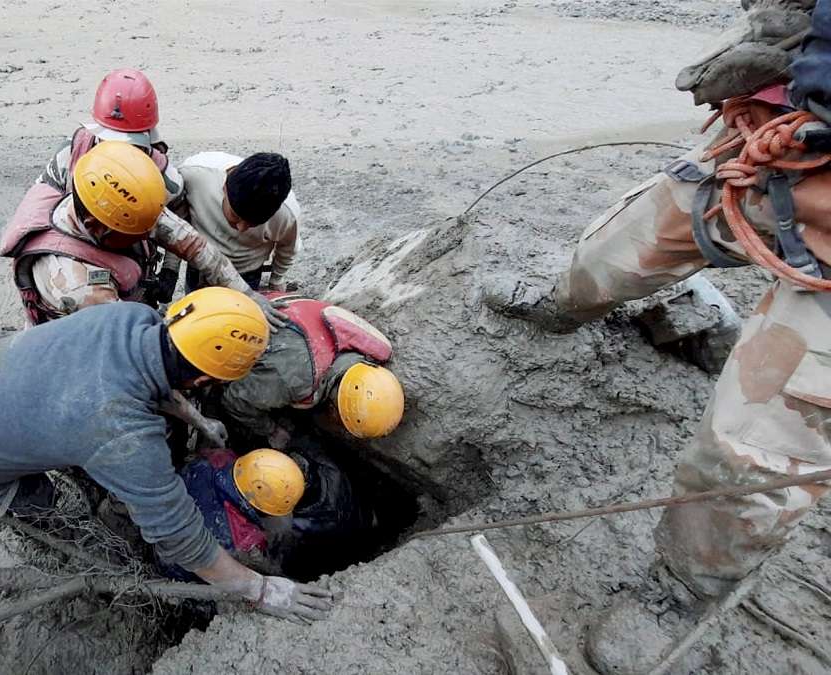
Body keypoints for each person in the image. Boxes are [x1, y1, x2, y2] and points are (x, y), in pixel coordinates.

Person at [481, 1, 831, 670]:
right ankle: (561, 303)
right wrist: (791, 31)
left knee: (751, 452)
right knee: (616, 249)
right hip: (783, 137)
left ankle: (684, 587)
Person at [0, 288, 333, 623]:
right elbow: (178, 536)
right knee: (40, 502)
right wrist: (258, 589)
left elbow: (154, 370)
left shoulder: (129, 318)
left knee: (71, 431)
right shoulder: (120, 431)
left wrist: (200, 423)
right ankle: (20, 502)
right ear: (204, 377)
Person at [5, 141, 286, 330]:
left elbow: (194, 245)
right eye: (139, 232)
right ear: (98, 226)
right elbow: (131, 339)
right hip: (82, 331)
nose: (151, 233)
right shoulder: (79, 286)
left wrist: (246, 293)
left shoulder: (123, 205)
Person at [0, 68, 184, 259]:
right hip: (69, 250)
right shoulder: (69, 156)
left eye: (126, 145)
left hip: (124, 253)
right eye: (109, 141)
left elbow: (181, 222)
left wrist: (170, 271)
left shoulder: (167, 180)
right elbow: (36, 211)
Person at [217, 293, 404, 449]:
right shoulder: (293, 382)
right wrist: (271, 430)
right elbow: (234, 402)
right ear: (334, 408)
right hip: (218, 337)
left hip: (260, 303)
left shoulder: (362, 340)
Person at [175, 447, 372, 578]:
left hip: (168, 520)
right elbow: (259, 573)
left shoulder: (220, 458)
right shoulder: (244, 540)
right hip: (181, 568)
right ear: (265, 509)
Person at [166, 151, 301, 294]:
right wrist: (171, 267)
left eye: (253, 223)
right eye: (236, 216)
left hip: (247, 275)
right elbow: (177, 218)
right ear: (224, 187)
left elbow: (287, 249)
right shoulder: (194, 175)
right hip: (199, 269)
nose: (241, 228)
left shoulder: (287, 214)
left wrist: (276, 281)